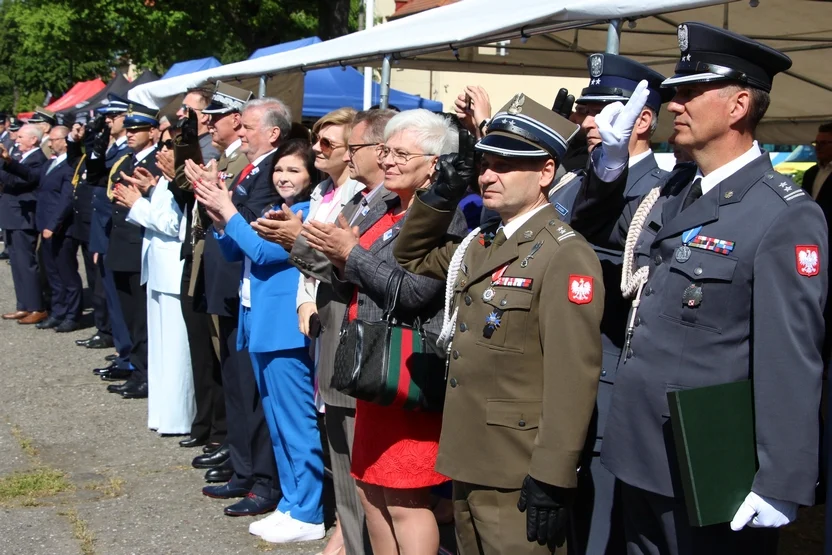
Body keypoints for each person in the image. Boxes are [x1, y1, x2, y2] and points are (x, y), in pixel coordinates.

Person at [568, 22, 826, 555]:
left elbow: (791, 359)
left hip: (707, 459)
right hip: (640, 447)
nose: (674, 104)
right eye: (673, 93)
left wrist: (782, 479)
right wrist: (609, 166)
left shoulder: (782, 215)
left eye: (689, 92)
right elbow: (593, 231)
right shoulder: (677, 188)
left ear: (736, 107)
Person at [393, 96, 605, 554]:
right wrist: (437, 197)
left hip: (519, 468)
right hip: (470, 454)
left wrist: (552, 473)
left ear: (546, 172)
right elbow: (409, 256)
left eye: (505, 165)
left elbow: (574, 375)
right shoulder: (482, 242)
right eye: (485, 164)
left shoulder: (565, 253)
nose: (487, 175)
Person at [304, 108, 468, 555]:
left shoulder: (442, 218)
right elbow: (356, 269)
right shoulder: (387, 205)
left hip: (407, 372)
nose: (388, 160)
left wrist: (350, 254)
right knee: (369, 492)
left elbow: (416, 292)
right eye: (386, 150)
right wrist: (340, 256)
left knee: (404, 498)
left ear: (434, 163)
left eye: (400, 153)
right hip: (374, 363)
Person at [545, 54, 674, 555]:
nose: (590, 122)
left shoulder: (660, 189)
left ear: (643, 119)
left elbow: (592, 247)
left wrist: (609, 171)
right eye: (588, 110)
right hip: (559, 369)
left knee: (603, 529)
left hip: (609, 374)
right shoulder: (577, 179)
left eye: (606, 110)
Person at [272, 108, 397, 555]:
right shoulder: (360, 199)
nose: (346, 155)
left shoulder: (391, 204)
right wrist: (300, 244)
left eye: (353, 146)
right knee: (346, 476)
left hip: (361, 347)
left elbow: (362, 271)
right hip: (337, 341)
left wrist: (297, 242)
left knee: (365, 482)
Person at [197, 139, 324, 543]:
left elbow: (266, 253)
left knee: (295, 421)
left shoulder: (305, 214)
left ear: (310, 178)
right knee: (276, 421)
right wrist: (220, 217)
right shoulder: (276, 210)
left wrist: (229, 209)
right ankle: (290, 502)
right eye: (280, 170)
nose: (284, 177)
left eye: (294, 171)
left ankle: (309, 509)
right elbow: (238, 249)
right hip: (261, 323)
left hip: (286, 328)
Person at [187, 97, 285, 517]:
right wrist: (214, 198)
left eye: (247, 126)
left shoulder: (273, 173)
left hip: (259, 294)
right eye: (240, 126)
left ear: (273, 133)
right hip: (234, 286)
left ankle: (261, 478)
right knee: (237, 384)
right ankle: (243, 468)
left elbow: (253, 225)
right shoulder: (251, 168)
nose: (240, 132)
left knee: (254, 393)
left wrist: (219, 201)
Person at [114, 127, 195, 436]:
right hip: (159, 270)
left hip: (173, 270)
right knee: (160, 350)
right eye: (161, 144)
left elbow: (173, 224)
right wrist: (149, 191)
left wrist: (137, 203)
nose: (162, 151)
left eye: (170, 146)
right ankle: (163, 414)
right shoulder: (163, 180)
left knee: (175, 352)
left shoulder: (177, 182)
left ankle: (179, 418)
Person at [103, 103, 163, 401]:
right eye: (127, 129)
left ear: (152, 132)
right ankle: (137, 371)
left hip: (139, 245)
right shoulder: (126, 160)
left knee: (142, 320)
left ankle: (145, 376)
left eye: (136, 130)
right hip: (120, 245)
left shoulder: (154, 163)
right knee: (129, 315)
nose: (129, 134)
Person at [32, 125, 84, 332]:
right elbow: (32, 176)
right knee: (52, 273)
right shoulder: (51, 164)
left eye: (53, 139)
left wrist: (53, 225)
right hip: (45, 225)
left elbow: (66, 198)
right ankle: (58, 311)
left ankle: (73, 315)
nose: (50, 143)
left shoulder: (70, 165)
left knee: (67, 274)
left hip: (62, 228)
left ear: (64, 141)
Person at [0, 124, 47, 324]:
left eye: (20, 137)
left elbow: (20, 181)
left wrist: (6, 163)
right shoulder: (21, 158)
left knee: (26, 263)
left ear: (33, 139)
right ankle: (23, 305)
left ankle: (36, 306)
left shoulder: (37, 159)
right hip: (12, 215)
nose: (16, 140)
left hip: (23, 216)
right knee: (17, 264)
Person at [176, 87, 220, 163]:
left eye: (185, 108)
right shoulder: (184, 143)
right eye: (181, 108)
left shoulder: (210, 149)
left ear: (204, 116)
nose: (178, 113)